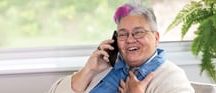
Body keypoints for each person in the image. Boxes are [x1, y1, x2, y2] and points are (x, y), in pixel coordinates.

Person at [49, 0, 194, 93]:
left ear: (156, 38)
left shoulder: (171, 77)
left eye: (138, 32)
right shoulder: (106, 66)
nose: (130, 40)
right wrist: (88, 70)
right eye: (123, 34)